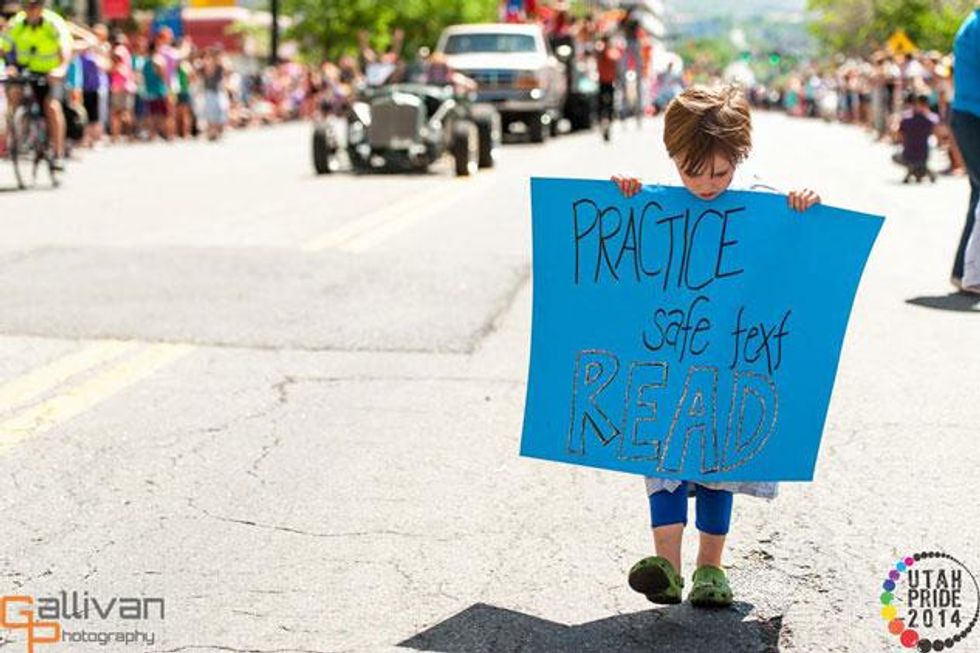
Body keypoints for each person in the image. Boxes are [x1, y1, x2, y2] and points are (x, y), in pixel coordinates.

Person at [610, 85, 821, 607]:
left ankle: (710, 568)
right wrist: (627, 198)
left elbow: (791, 255)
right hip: (670, 360)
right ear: (672, 158)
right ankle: (665, 564)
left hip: (727, 364)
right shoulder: (660, 201)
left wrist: (800, 207)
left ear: (740, 159)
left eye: (719, 173)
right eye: (691, 171)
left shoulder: (758, 204)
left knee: (716, 466)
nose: (706, 184)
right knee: (662, 458)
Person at [1, 0, 72, 170]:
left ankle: (58, 153)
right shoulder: (16, 23)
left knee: (52, 107)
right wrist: (7, 65)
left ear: (42, 6)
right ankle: (15, 134)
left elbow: (65, 48)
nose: (31, 9)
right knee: (14, 95)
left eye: (35, 5)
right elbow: (3, 47)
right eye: (27, 5)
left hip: (49, 73)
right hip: (24, 70)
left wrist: (61, 69)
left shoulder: (53, 22)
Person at [949, 8, 980, 294]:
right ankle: (969, 274)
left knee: (978, 194)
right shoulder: (977, 25)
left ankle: (965, 272)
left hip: (969, 116)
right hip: (972, 116)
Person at [892, 94, 939, 182]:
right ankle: (919, 169)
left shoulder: (905, 118)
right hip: (924, 155)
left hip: (909, 154)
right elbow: (938, 133)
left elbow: (897, 134)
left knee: (897, 156)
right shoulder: (931, 119)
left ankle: (914, 169)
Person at [595, 34, 620, 142]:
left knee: (609, 106)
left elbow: (615, 60)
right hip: (602, 82)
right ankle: (602, 122)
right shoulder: (600, 49)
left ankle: (607, 123)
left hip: (610, 82)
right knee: (602, 105)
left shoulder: (611, 51)